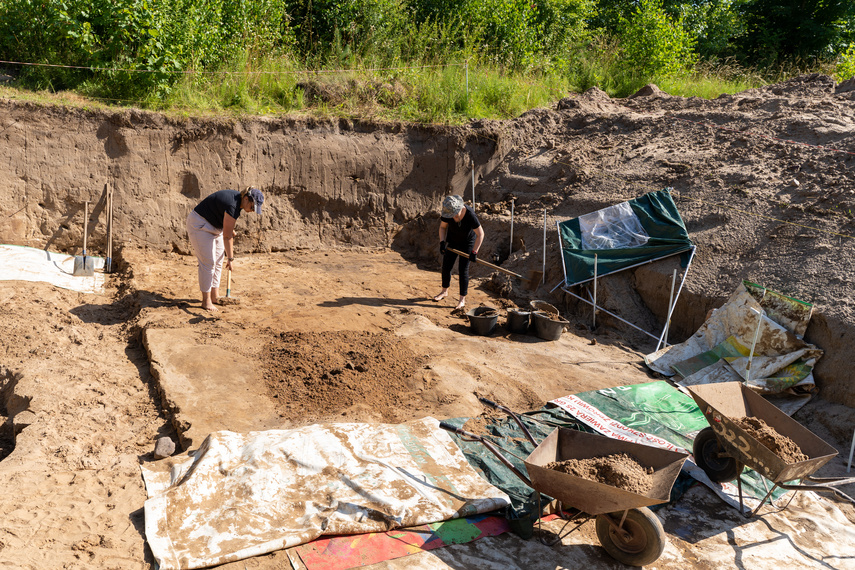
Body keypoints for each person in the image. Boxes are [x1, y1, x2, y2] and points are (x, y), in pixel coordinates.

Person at [186, 187, 264, 311]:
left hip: (214, 227)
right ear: (246, 199)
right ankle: (206, 301)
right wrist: (231, 258)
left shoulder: (237, 204)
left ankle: (214, 296)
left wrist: (228, 228)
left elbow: (221, 215)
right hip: (199, 225)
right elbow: (227, 237)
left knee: (218, 260)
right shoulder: (233, 204)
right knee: (208, 262)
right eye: (253, 206)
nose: (253, 210)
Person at [433, 194, 485, 310]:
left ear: (460, 209)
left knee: (463, 270)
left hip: (467, 242)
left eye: (455, 216)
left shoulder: (470, 215)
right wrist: (442, 242)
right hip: (452, 241)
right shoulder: (448, 213)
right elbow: (442, 228)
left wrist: (474, 251)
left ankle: (462, 300)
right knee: (446, 266)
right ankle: (444, 291)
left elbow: (480, 234)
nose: (453, 218)